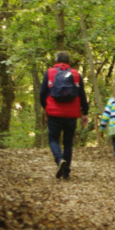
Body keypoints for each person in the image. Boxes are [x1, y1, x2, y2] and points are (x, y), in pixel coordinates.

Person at [39, 51, 89, 180]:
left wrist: (45, 108)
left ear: (56, 61)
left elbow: (42, 93)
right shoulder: (76, 74)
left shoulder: (50, 73)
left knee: (53, 139)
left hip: (54, 113)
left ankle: (59, 159)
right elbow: (82, 95)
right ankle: (66, 172)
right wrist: (85, 112)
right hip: (71, 114)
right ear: (68, 61)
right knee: (68, 142)